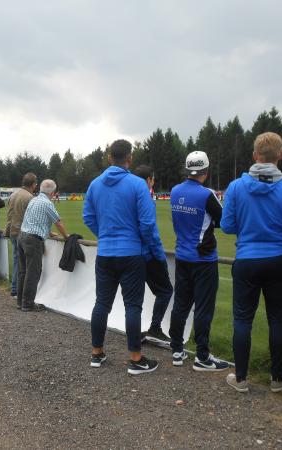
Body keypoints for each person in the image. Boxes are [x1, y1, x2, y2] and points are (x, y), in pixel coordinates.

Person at [221, 132, 282, 393]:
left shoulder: (236, 187)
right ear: (280, 155)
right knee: (278, 320)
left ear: (255, 155)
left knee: (243, 320)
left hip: (247, 259)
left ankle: (242, 378)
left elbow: (226, 225)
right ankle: (277, 379)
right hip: (280, 260)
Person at [83, 139, 162, 375]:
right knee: (133, 306)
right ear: (130, 158)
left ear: (109, 158)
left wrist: (106, 236)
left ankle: (97, 353)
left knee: (102, 304)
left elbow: (89, 217)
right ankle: (135, 359)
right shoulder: (138, 185)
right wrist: (156, 253)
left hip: (106, 253)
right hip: (131, 254)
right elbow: (148, 224)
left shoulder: (95, 185)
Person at [168, 153, 230, 371]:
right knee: (203, 308)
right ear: (206, 170)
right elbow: (224, 221)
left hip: (182, 256)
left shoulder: (175, 191)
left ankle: (176, 349)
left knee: (180, 305)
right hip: (203, 259)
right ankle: (202, 357)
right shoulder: (207, 194)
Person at [131, 165, 173, 346]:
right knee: (165, 290)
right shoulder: (146, 198)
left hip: (129, 252)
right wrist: (158, 254)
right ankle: (155, 328)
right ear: (149, 180)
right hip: (147, 253)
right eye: (153, 179)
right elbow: (149, 230)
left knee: (134, 296)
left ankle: (134, 333)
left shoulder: (127, 195)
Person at [18, 179, 69, 311]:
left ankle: (20, 301)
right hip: (32, 240)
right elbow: (59, 222)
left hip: (22, 236)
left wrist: (47, 231)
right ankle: (28, 304)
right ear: (52, 193)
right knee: (33, 272)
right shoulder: (47, 203)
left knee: (23, 271)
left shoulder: (33, 200)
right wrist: (67, 237)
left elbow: (32, 221)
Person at [4, 173, 38, 297]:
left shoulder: (14, 194)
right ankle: (17, 289)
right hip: (22, 233)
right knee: (22, 263)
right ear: (34, 184)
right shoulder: (30, 198)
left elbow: (10, 214)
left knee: (17, 260)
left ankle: (15, 288)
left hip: (12, 230)